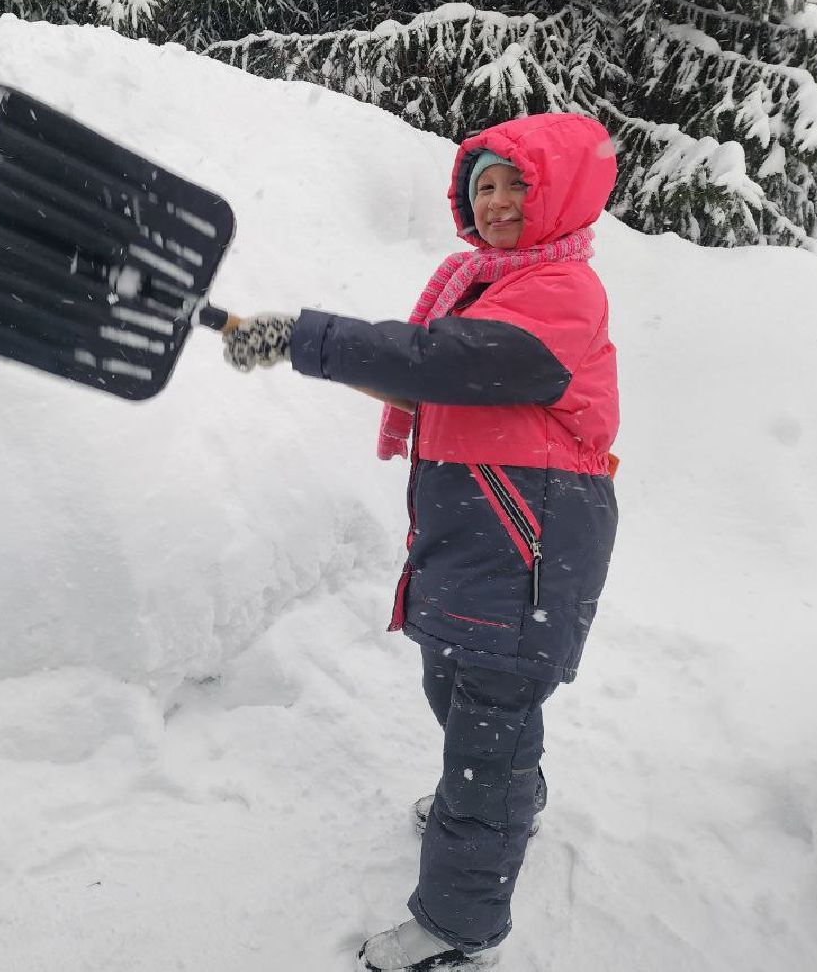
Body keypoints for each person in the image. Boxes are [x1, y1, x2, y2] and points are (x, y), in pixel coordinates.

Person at [222, 112, 620, 970]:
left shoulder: (561, 293)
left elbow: (444, 361)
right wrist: (291, 345)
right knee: (462, 695)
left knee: (484, 731)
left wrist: (305, 336)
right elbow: (422, 364)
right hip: (482, 539)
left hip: (529, 553)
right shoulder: (487, 285)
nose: (503, 200)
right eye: (486, 185)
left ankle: (459, 927)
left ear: (562, 194)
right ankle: (518, 786)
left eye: (520, 182)